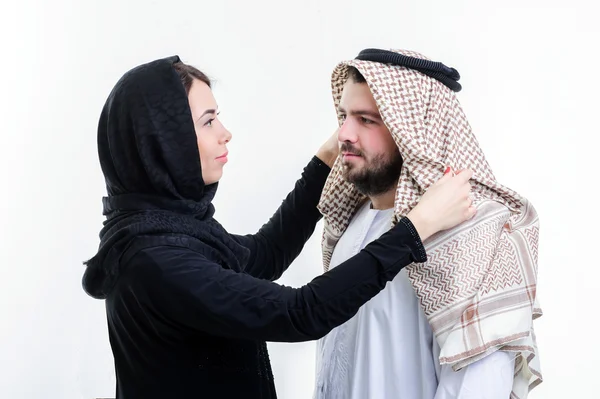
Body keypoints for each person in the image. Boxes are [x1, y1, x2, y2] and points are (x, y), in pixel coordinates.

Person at [81, 55, 475, 399]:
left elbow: (261, 257)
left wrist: (327, 158)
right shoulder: (156, 261)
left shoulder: (167, 230)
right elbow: (300, 313)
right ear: (163, 143)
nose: (225, 132)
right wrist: (415, 229)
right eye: (207, 121)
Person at [314, 49, 542, 399]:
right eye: (344, 116)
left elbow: (475, 388)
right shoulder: (350, 225)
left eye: (366, 120)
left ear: (414, 132)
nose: (343, 133)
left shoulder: (475, 237)